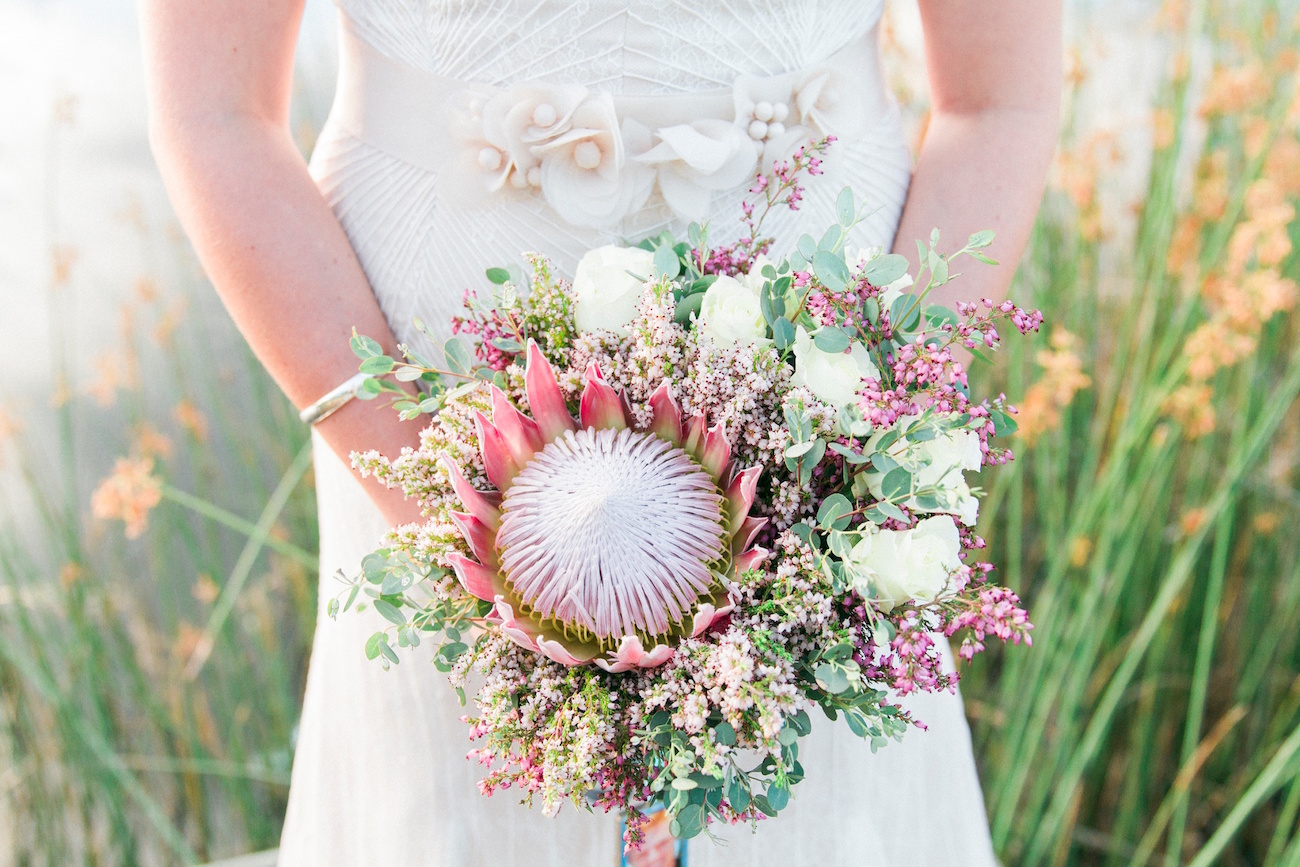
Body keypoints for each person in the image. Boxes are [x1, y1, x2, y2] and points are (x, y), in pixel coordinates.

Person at [141, 1, 1061, 864]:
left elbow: (997, 102)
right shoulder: (425, 461)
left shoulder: (848, 426)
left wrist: (864, 439)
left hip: (827, 376)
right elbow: (215, 110)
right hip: (422, 378)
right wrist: (445, 505)